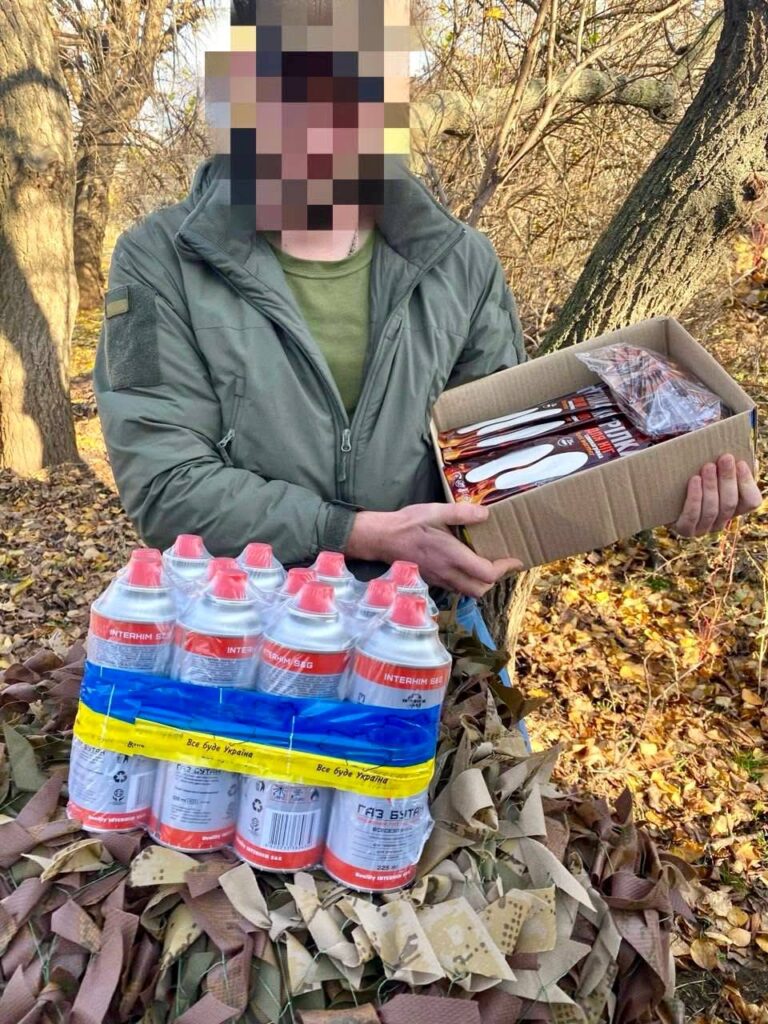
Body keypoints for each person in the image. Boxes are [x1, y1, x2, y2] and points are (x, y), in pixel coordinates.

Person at [94, 0, 762, 659]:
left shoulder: (460, 263)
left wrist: (654, 484)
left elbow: (498, 470)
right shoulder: (159, 261)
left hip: (420, 630)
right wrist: (358, 533)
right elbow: (166, 487)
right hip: (234, 629)